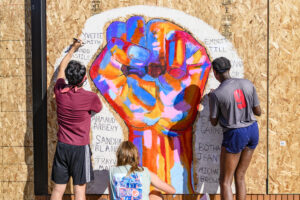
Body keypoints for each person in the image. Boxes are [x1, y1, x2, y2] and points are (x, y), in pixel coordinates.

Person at [50, 38, 102, 200]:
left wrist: (73, 48)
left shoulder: (59, 91)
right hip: (80, 149)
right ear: (83, 79)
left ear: (68, 78)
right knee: (79, 191)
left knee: (58, 190)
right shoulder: (90, 97)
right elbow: (97, 109)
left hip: (63, 147)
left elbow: (61, 70)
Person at [208, 57, 261, 200]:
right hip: (252, 130)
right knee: (240, 175)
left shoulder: (216, 94)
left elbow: (213, 121)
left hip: (235, 134)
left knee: (225, 181)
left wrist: (213, 102)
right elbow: (258, 112)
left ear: (215, 73)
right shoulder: (247, 83)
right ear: (229, 68)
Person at [109, 141, 176, 200]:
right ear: (136, 156)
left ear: (119, 156)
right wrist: (150, 181)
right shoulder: (145, 172)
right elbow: (172, 191)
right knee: (156, 193)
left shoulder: (112, 171)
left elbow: (111, 194)